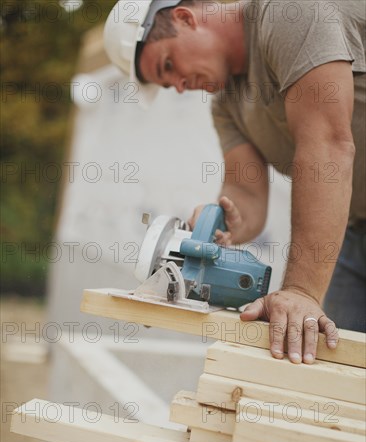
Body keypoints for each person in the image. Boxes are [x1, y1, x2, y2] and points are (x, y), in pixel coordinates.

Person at [104, 0, 366, 364]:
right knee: (340, 371)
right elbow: (245, 192)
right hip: (356, 235)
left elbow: (327, 146)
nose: (180, 86)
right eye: (167, 84)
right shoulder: (226, 102)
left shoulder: (289, 14)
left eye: (168, 65)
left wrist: (301, 290)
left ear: (184, 17)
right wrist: (221, 221)